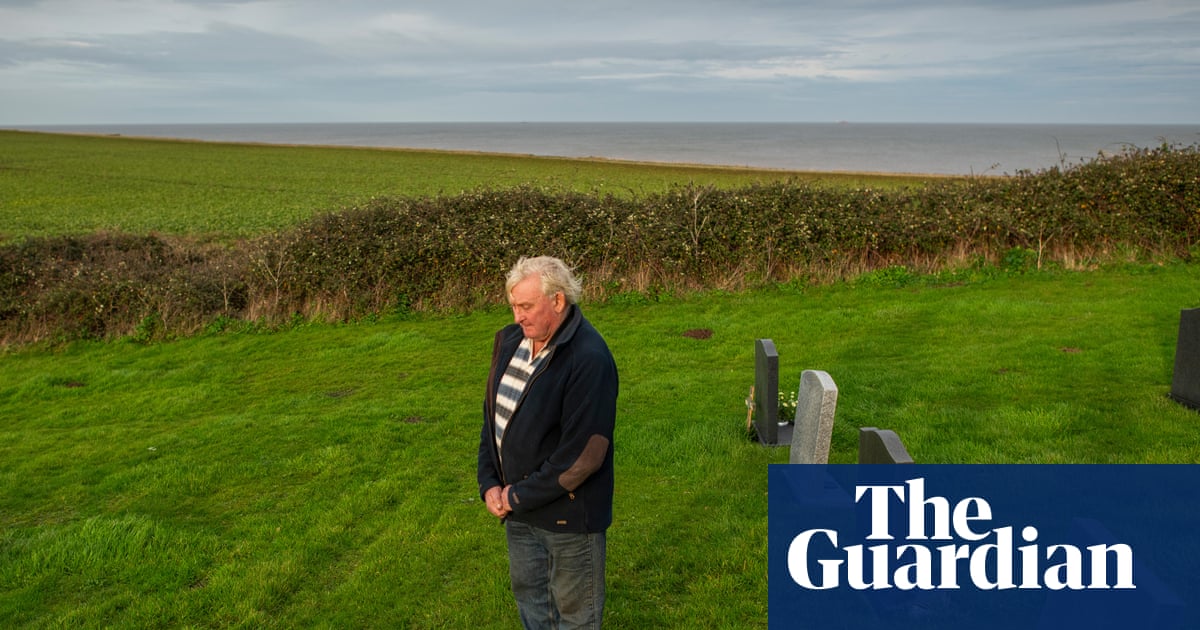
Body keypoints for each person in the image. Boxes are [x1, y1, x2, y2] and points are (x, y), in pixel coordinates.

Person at [477, 255, 619, 629]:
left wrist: (517, 495)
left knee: (575, 618)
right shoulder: (511, 341)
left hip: (568, 520)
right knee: (533, 606)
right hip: (518, 514)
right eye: (513, 307)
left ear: (557, 301)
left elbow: (583, 458)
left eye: (526, 306)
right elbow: (494, 416)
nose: (517, 317)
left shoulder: (589, 358)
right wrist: (489, 482)